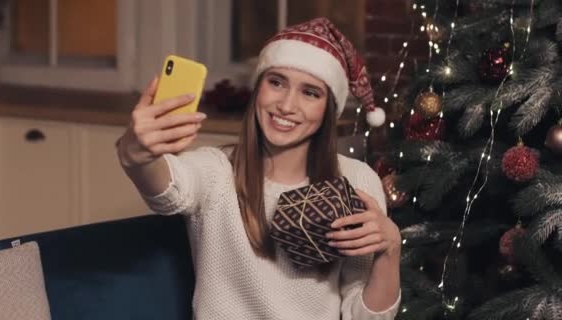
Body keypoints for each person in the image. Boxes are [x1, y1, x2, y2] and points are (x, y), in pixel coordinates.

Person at [116, 17, 401, 320]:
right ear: (258, 89)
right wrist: (136, 154)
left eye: (310, 93)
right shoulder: (217, 170)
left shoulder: (357, 180)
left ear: (328, 109)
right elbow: (168, 190)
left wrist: (390, 248)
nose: (287, 105)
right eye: (276, 82)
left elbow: (364, 316)